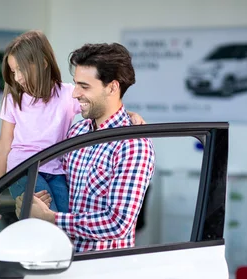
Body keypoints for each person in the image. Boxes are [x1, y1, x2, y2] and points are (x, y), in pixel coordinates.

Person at [0, 30, 144, 222]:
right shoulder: (14, 100)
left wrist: (130, 114)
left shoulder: (67, 94)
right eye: (14, 72)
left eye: (21, 69)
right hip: (23, 169)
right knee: (48, 223)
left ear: (43, 63)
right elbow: (3, 147)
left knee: (64, 216)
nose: (18, 77)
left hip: (55, 171)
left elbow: (102, 106)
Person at [22, 43, 155, 252]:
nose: (75, 94)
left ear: (112, 87)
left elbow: (118, 224)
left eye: (84, 86)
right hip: (61, 260)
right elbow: (60, 187)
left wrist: (52, 218)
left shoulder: (133, 144)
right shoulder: (76, 132)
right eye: (75, 84)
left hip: (100, 272)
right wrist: (33, 202)